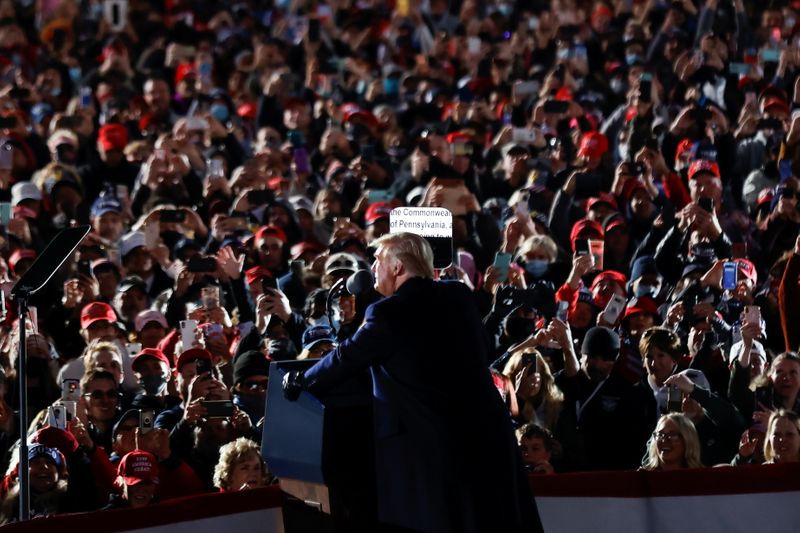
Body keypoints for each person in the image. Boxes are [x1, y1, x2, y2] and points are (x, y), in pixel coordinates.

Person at [285, 232, 541, 533]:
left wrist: (301, 380)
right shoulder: (458, 295)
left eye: (378, 261)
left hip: (433, 455)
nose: (373, 269)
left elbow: (346, 357)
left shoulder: (388, 312)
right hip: (486, 441)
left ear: (397, 267)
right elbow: (482, 344)